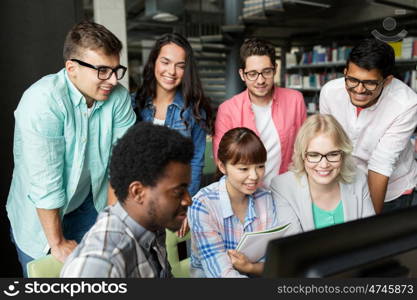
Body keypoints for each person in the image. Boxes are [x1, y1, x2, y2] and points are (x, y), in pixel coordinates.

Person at [6, 21, 136, 277]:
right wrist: (56, 243)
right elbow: (46, 185)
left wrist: (110, 225)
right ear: (72, 68)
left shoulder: (118, 98)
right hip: (40, 216)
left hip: (88, 202)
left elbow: (119, 165)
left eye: (115, 70)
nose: (112, 79)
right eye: (102, 71)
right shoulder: (41, 102)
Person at [61, 123, 193, 277]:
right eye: (178, 192)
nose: (188, 200)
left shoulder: (152, 223)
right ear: (138, 192)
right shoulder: (101, 265)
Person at [320, 38, 417, 214]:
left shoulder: (406, 103)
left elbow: (381, 164)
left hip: (392, 192)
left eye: (370, 83)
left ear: (387, 80)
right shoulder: (329, 92)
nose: (359, 90)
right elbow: (328, 142)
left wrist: (371, 226)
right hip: (347, 185)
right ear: (345, 72)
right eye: (352, 80)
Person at [213, 38, 306, 188]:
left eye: (266, 72)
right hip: (245, 192)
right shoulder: (228, 109)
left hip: (286, 191)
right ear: (242, 74)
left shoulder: (295, 100)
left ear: (275, 69)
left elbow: (303, 148)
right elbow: (222, 160)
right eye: (252, 74)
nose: (260, 80)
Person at [189, 127, 278, 278]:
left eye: (260, 166)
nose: (254, 176)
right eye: (244, 169)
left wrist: (251, 267)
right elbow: (221, 274)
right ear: (222, 166)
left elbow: (274, 261)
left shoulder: (265, 197)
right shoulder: (203, 205)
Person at [134, 33, 213, 197]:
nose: (172, 71)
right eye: (165, 62)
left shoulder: (195, 111)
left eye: (180, 66)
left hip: (174, 198)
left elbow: (196, 162)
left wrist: (185, 204)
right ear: (154, 61)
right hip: (139, 198)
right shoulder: (134, 104)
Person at [271, 114, 375, 236]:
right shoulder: (282, 187)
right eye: (314, 155)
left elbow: (369, 235)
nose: (324, 164)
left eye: (333, 154)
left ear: (343, 154)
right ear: (302, 156)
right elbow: (294, 247)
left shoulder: (358, 178)